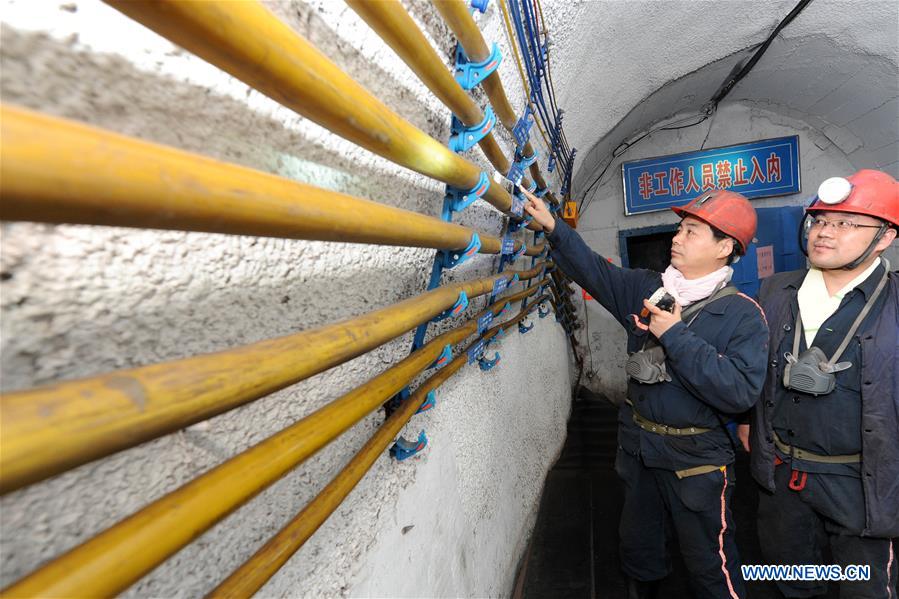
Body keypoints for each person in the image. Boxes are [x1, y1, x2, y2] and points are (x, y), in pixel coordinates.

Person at [524, 188, 769, 599]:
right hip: (638, 446)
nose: (677, 237)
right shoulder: (648, 288)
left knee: (710, 561)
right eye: (680, 228)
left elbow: (739, 393)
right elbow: (594, 271)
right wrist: (555, 229)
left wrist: (674, 335)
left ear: (725, 247)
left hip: (696, 460)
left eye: (692, 231)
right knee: (638, 547)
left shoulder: (742, 315)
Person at [742, 169, 898, 598]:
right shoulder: (774, 291)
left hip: (863, 485)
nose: (825, 232)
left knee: (865, 589)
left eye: (846, 223)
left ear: (884, 237)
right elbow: (754, 369)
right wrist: (748, 425)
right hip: (782, 479)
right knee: (789, 584)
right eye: (820, 220)